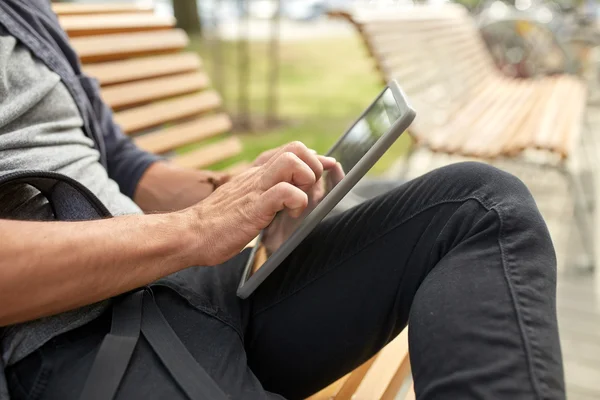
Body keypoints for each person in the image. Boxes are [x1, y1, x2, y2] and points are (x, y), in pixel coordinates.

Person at [0, 1, 564, 399]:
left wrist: (248, 190)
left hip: (185, 284)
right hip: (78, 333)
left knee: (480, 207)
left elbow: (122, 162)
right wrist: (196, 228)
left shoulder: (24, 11)